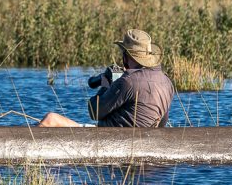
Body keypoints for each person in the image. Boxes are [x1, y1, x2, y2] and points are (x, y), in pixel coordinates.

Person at [38, 29, 174, 127]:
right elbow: (161, 122)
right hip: (143, 141)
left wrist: (106, 83)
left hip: (109, 140)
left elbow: (94, 112)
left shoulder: (127, 81)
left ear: (127, 56)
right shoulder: (167, 82)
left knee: (51, 119)